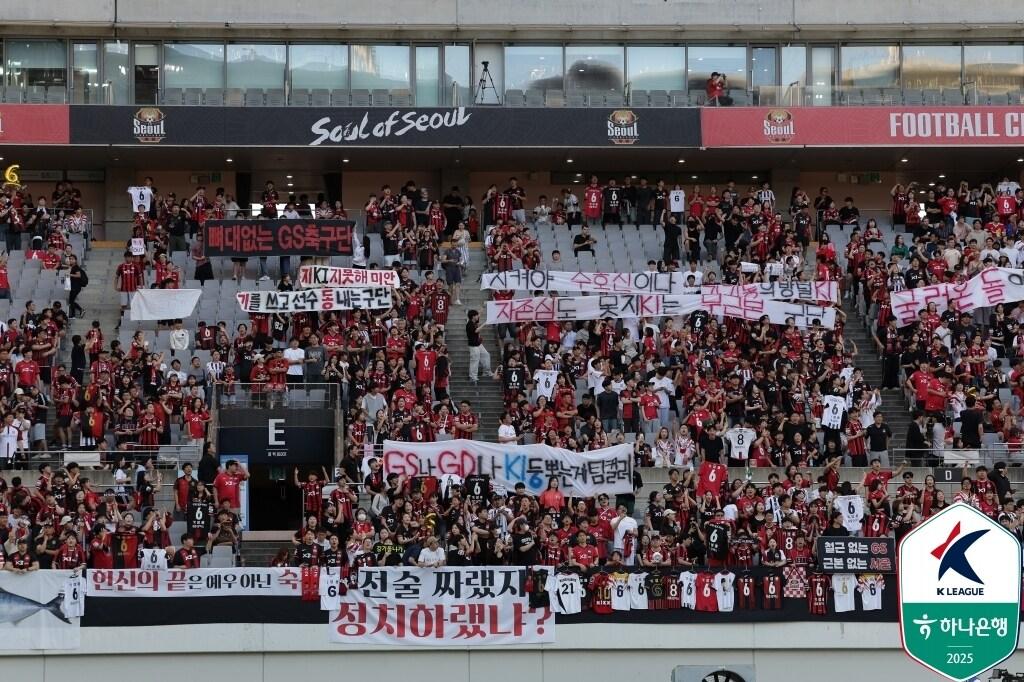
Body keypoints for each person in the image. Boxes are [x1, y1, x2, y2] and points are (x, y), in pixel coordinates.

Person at [466, 310, 491, 384]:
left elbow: (478, 316)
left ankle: (486, 371)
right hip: (473, 345)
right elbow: (476, 331)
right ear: (473, 316)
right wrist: (485, 324)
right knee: (475, 360)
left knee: (486, 355)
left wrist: (481, 310)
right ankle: (472, 376)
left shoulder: (474, 322)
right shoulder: (469, 324)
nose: (478, 317)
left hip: (478, 344)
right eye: (476, 315)